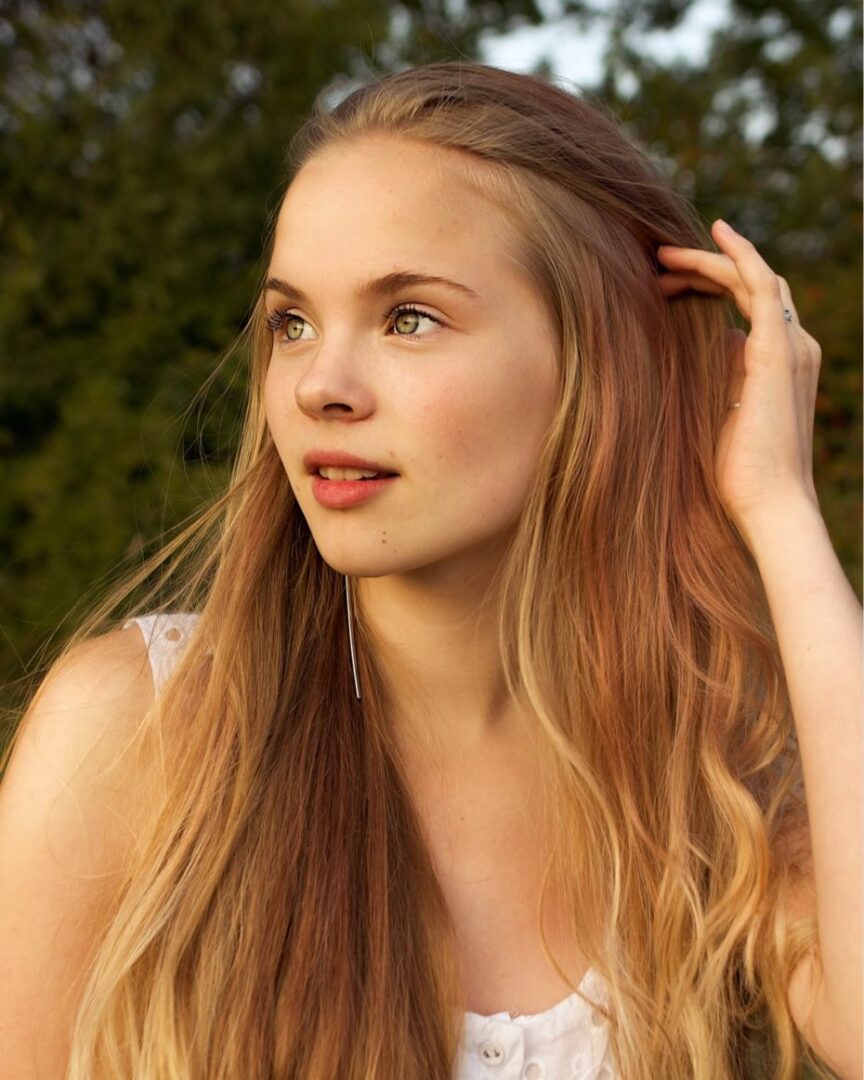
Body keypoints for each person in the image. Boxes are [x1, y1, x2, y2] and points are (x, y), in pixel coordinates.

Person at [0, 60, 860, 1080]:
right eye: (292, 322)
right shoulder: (143, 735)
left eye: (408, 317)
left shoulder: (703, 787)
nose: (319, 384)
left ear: (602, 366)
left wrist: (778, 508)